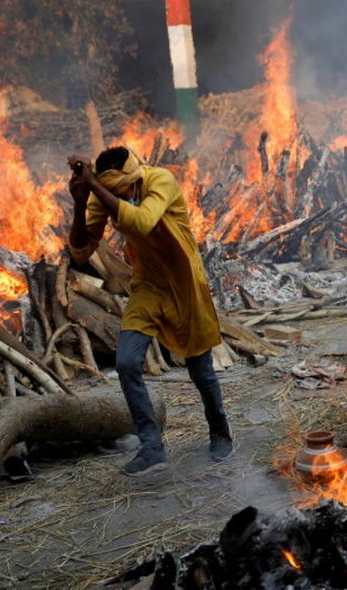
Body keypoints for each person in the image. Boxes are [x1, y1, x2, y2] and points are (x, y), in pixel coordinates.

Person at [67, 146, 233, 477]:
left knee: (200, 370)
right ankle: (152, 448)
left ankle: (219, 432)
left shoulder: (160, 180)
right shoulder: (104, 194)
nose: (118, 197)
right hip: (147, 286)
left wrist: (96, 186)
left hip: (184, 283)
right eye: (111, 192)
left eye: (122, 190)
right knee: (127, 362)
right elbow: (81, 250)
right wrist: (81, 200)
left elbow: (142, 222)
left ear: (134, 177)